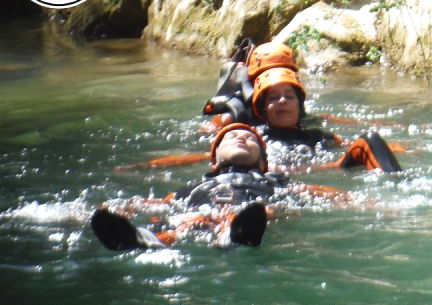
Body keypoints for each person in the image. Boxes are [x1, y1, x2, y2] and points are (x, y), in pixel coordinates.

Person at [91, 123, 346, 250]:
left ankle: (234, 233)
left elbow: (321, 194)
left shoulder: (273, 182)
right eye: (231, 137)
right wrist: (122, 208)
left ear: (263, 161)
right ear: (214, 159)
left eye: (250, 139)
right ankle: (147, 238)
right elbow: (160, 203)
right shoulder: (193, 187)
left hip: (250, 212)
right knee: (181, 222)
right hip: (199, 212)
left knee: (261, 211)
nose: (241, 138)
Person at [203, 38, 404, 173]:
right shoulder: (247, 131)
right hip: (278, 176)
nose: (282, 101)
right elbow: (214, 149)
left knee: (370, 140)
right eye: (273, 97)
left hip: (318, 169)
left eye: (289, 96)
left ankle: (396, 190)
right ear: (262, 105)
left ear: (299, 101)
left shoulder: (316, 134)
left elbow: (343, 139)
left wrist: (405, 146)